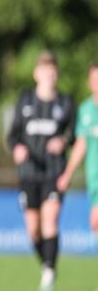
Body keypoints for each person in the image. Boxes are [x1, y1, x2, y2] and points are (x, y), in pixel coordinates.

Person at [8, 51, 74, 291]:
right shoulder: (25, 100)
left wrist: (63, 142)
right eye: (44, 71)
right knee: (33, 229)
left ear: (56, 75)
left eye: (52, 72)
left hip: (54, 173)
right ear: (36, 74)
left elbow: (74, 135)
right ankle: (47, 264)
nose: (49, 76)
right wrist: (17, 148)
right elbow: (12, 134)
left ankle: (48, 270)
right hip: (28, 174)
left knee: (50, 221)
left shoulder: (65, 103)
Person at [58, 64, 98, 238]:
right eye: (95, 80)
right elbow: (81, 145)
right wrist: (67, 174)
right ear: (89, 83)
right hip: (94, 179)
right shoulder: (85, 110)